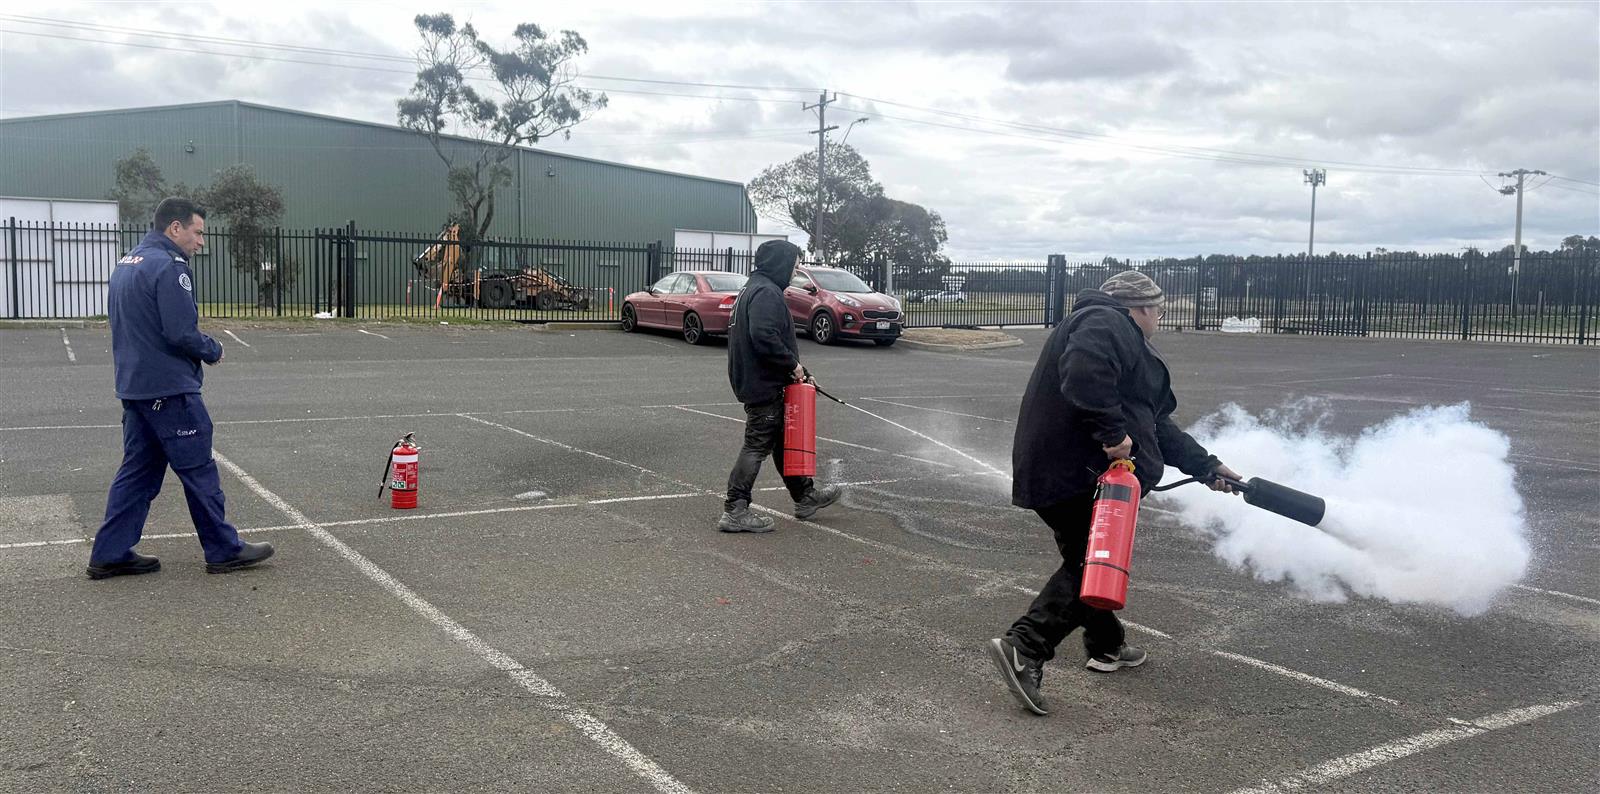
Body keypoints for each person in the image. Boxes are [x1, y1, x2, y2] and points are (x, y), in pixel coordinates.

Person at [987, 270, 1241, 715]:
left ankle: (1105, 645)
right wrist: (1113, 436)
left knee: (1086, 561)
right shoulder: (1106, 322)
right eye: (1159, 311)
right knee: (1092, 564)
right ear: (1141, 308)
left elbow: (1156, 424)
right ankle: (1025, 646)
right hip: (1081, 474)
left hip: (1064, 471)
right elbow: (1084, 375)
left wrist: (1207, 467)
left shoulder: (1109, 330)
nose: (1159, 319)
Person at [86, 197, 275, 580]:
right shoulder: (170, 268)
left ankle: (110, 552)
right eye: (197, 232)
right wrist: (212, 349)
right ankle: (223, 549)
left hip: (135, 387)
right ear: (175, 228)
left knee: (138, 472)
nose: (201, 241)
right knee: (198, 469)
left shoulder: (128, 263)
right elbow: (180, 332)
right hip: (169, 390)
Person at [717, 240, 843, 532]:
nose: (796, 270)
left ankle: (805, 496)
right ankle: (735, 509)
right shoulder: (766, 292)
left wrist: (800, 373)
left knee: (782, 442)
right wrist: (793, 366)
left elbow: (770, 338)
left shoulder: (755, 288)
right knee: (757, 444)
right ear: (780, 263)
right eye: (794, 264)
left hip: (761, 378)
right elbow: (764, 336)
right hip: (764, 382)